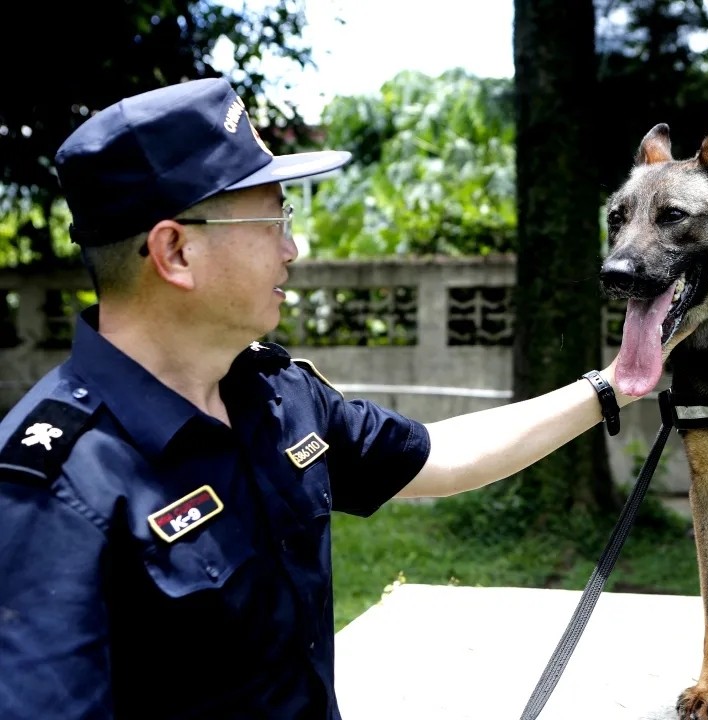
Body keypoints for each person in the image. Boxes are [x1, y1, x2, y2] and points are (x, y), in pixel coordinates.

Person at [0, 78, 651, 719]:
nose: (293, 248)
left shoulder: (275, 396)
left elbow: (441, 457)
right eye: (274, 217)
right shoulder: (50, 488)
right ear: (175, 251)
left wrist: (613, 384)